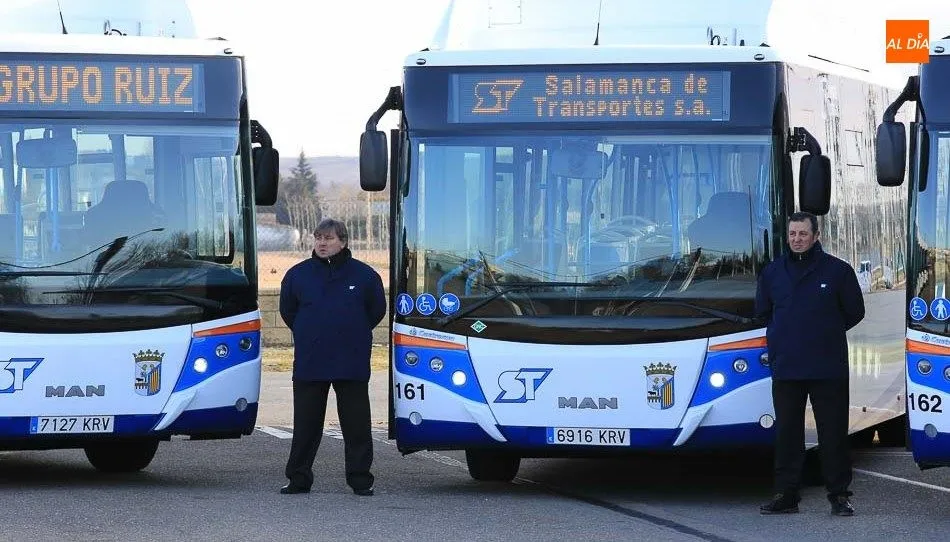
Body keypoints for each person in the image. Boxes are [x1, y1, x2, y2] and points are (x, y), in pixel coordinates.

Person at [755, 211, 865, 517]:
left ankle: (839, 496)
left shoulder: (837, 272)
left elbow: (855, 311)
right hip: (787, 367)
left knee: (833, 435)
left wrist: (824, 332)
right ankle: (786, 495)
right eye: (792, 234)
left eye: (803, 234)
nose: (797, 240)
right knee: (787, 435)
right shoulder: (773, 273)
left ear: (816, 236)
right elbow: (763, 312)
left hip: (827, 367)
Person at [278, 218, 387, 496]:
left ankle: (360, 478)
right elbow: (289, 312)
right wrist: (309, 334)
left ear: (343, 241)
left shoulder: (364, 276)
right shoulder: (297, 275)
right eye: (318, 238)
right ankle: (299, 478)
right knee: (305, 424)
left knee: (356, 425)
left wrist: (352, 333)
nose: (322, 244)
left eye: (328, 238)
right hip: (310, 361)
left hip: (350, 361)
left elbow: (375, 311)